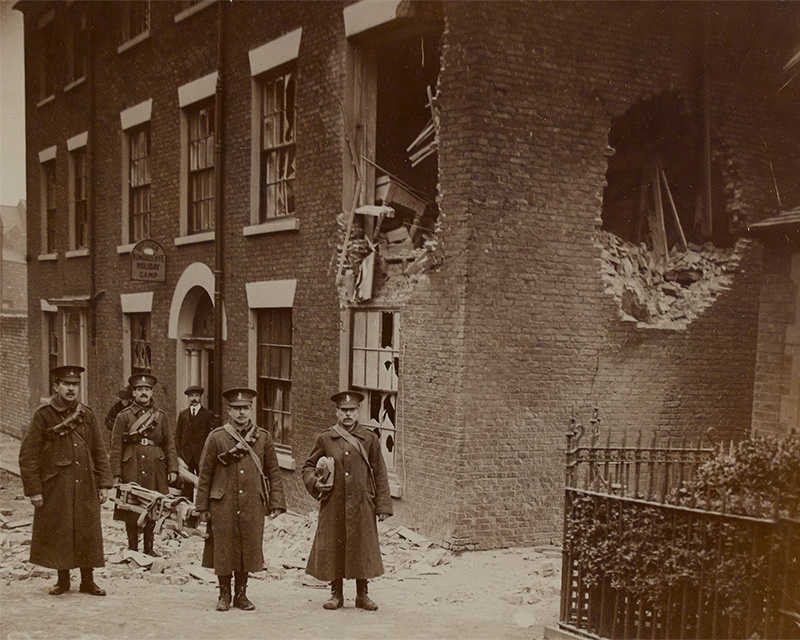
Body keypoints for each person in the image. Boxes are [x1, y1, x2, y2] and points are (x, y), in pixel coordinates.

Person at [18, 365, 113, 596]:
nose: (71, 389)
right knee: (60, 530)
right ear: (56, 386)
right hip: (56, 484)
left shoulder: (87, 413)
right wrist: (34, 490)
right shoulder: (44, 415)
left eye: (75, 384)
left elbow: (98, 449)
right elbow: (28, 455)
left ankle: (88, 581)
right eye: (67, 384)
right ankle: (63, 581)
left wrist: (104, 484)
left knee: (87, 529)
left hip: (85, 482)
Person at [196, 388, 286, 612]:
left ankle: (242, 595)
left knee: (247, 546)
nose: (241, 413)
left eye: (245, 408)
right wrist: (202, 506)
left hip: (252, 503)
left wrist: (276, 502)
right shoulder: (217, 437)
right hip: (222, 502)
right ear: (229, 411)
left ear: (251, 410)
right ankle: (224, 594)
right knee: (224, 547)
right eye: (237, 409)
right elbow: (205, 473)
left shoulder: (263, 437)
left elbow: (273, 471)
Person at [302, 390, 392, 611]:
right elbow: (307, 467)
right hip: (334, 503)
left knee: (362, 547)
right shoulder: (325, 438)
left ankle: (363, 595)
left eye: (352, 410)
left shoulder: (370, 438)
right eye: (344, 411)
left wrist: (382, 505)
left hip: (362, 502)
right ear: (337, 412)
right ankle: (336, 594)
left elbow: (379, 472)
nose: (348, 414)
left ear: (358, 412)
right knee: (335, 544)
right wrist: (315, 482)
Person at [110, 373, 178, 556]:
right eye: (139, 389)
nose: (143, 393)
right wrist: (116, 474)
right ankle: (133, 547)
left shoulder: (161, 416)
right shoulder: (124, 416)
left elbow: (169, 444)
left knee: (154, 505)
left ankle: (149, 547)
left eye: (147, 389)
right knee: (131, 505)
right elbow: (116, 446)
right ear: (133, 393)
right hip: (131, 465)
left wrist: (172, 468)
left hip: (156, 465)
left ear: (152, 392)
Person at [174, 385, 216, 500]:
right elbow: (177, 437)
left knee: (203, 482)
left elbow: (211, 437)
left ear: (200, 397)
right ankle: (186, 508)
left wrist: (208, 454)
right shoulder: (183, 415)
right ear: (188, 398)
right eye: (192, 396)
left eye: (196, 396)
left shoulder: (208, 415)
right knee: (187, 485)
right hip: (186, 456)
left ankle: (202, 507)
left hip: (201, 455)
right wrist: (179, 456)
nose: (194, 398)